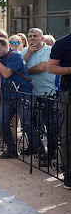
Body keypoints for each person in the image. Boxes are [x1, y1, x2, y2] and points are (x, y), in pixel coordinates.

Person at [0, 38, 35, 159]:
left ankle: (40, 151)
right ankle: (11, 149)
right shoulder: (0, 57)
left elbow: (6, 73)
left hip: (22, 94)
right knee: (1, 122)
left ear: (5, 46)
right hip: (8, 96)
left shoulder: (15, 56)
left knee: (27, 124)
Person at [23, 28, 58, 167]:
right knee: (28, 123)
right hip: (29, 94)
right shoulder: (24, 51)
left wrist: (25, 71)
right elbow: (18, 67)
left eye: (35, 36)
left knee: (50, 124)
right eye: (30, 36)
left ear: (41, 38)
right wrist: (28, 54)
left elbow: (41, 67)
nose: (32, 38)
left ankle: (51, 153)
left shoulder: (49, 50)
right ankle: (40, 151)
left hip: (48, 93)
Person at [46, 30, 71, 189]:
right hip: (68, 94)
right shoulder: (63, 43)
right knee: (67, 135)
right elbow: (50, 67)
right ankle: (68, 173)